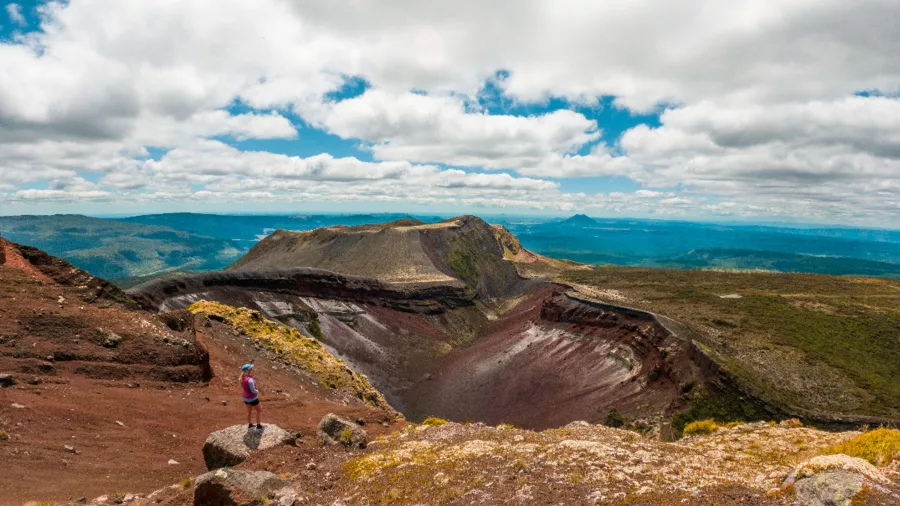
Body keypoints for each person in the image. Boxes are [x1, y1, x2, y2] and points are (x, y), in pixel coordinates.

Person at [239, 364, 263, 430]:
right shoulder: (250, 380)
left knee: (249, 412)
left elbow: (242, 387)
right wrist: (257, 391)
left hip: (245, 398)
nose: (252, 370)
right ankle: (258, 425)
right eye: (250, 369)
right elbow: (253, 391)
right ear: (248, 371)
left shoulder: (241, 378)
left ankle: (250, 424)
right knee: (259, 410)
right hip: (253, 398)